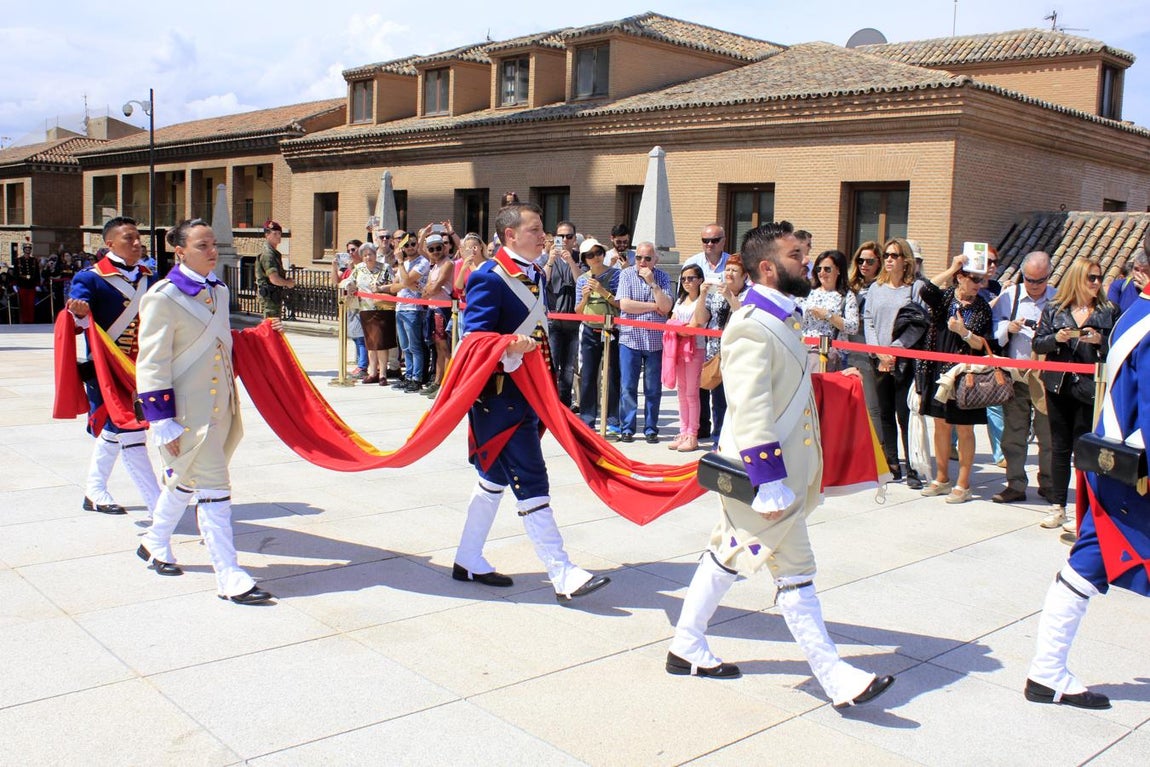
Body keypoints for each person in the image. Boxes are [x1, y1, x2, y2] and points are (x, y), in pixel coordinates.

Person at [667, 221, 895, 710]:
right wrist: (768, 480)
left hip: (775, 473)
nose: (807, 264)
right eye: (797, 255)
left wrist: (833, 383)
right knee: (796, 572)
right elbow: (749, 407)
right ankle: (834, 677)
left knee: (727, 554)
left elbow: (785, 389)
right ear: (767, 268)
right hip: (762, 476)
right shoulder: (751, 324)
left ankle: (685, 643)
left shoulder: (781, 316)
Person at [451, 202, 611, 602]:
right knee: (531, 479)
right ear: (510, 235)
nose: (545, 237)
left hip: (530, 394)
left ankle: (467, 557)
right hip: (500, 398)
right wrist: (507, 344)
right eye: (535, 229)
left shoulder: (534, 271)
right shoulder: (489, 277)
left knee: (493, 480)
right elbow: (473, 339)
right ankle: (562, 572)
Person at [1024, 233, 1150, 713]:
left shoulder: (1135, 312)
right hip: (1135, 469)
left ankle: (1047, 670)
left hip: (1116, 463)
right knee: (1091, 559)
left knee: (1090, 557)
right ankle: (1047, 671)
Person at [134, 219, 274, 605]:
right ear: (180, 251)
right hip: (186, 414)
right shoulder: (163, 297)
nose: (212, 251)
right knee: (214, 487)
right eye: (202, 245)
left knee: (187, 479)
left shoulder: (221, 291)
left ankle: (154, 541)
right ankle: (228, 574)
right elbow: (151, 363)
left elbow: (220, 344)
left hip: (221, 407)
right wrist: (161, 420)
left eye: (213, 244)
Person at [65, 216, 162, 517]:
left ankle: (94, 491)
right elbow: (76, 319)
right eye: (128, 238)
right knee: (131, 432)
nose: (137, 243)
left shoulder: (150, 277)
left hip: (141, 370)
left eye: (138, 237)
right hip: (106, 369)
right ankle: (161, 507)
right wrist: (79, 313)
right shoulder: (90, 278)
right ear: (109, 244)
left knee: (113, 428)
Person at [1033, 257, 1116, 533]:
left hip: (1089, 389)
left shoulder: (1107, 311)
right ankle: (1058, 506)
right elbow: (1038, 342)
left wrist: (1100, 342)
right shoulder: (1056, 309)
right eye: (1091, 277)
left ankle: (1085, 510)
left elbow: (1117, 346)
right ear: (1077, 278)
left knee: (1084, 449)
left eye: (1099, 278)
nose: (1096, 283)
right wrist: (1057, 338)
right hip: (1058, 385)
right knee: (1059, 447)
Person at [916, 254, 994, 504]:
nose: (978, 285)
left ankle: (963, 483)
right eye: (974, 279)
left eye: (981, 281)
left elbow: (982, 343)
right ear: (961, 278)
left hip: (964, 373)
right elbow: (925, 288)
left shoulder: (981, 307)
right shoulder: (947, 297)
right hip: (938, 368)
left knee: (964, 428)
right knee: (939, 423)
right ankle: (941, 478)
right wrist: (952, 267)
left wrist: (963, 332)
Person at [990, 251, 1055, 504]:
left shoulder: (1056, 298)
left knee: (1047, 434)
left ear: (1048, 276)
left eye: (1040, 280)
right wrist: (1009, 327)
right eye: (1030, 279)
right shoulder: (1010, 296)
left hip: (1043, 377)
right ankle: (1015, 483)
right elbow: (993, 327)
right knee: (1014, 433)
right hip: (1015, 375)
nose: (1035, 286)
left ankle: (1048, 483)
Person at [863, 237, 922, 488]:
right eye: (886, 255)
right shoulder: (876, 287)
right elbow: (868, 320)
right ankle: (892, 464)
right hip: (879, 359)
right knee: (885, 413)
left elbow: (919, 323)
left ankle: (913, 468)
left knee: (904, 414)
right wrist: (879, 352)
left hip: (904, 361)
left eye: (894, 255)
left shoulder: (914, 289)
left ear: (905, 260)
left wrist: (895, 350)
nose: (888, 259)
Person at [616, 242, 673, 443]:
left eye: (647, 258)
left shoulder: (663, 277)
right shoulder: (626, 275)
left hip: (655, 341)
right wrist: (652, 306)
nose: (642, 262)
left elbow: (665, 307)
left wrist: (653, 284)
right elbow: (625, 304)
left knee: (653, 388)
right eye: (639, 257)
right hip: (630, 338)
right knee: (628, 387)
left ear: (655, 260)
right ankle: (628, 428)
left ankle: (651, 428)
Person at [684, 224, 732, 439]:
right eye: (705, 240)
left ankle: (720, 433)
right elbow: (684, 295)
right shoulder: (693, 263)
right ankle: (701, 427)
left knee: (719, 385)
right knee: (699, 383)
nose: (709, 245)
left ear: (723, 240)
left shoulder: (731, 264)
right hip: (698, 330)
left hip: (722, 331)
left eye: (714, 240)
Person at [700, 253, 751, 444]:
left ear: (745, 275)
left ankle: (735, 440)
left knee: (736, 400)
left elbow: (746, 319)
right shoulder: (717, 292)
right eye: (727, 269)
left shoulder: (750, 294)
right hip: (717, 354)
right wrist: (703, 294)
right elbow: (702, 318)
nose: (729, 273)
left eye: (734, 270)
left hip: (739, 355)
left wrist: (730, 297)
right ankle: (718, 438)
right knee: (718, 400)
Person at [574, 237, 622, 435]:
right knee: (588, 376)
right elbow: (578, 311)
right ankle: (587, 420)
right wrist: (585, 296)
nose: (595, 258)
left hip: (611, 329)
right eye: (590, 255)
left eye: (598, 253)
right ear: (585, 259)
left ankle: (612, 421)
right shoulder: (582, 280)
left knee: (611, 376)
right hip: (589, 329)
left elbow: (621, 304)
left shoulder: (616, 275)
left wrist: (602, 291)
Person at [665, 263, 709, 452]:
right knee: (681, 392)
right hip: (679, 350)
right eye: (683, 279)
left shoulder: (703, 301)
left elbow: (696, 323)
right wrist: (680, 328)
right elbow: (671, 320)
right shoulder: (681, 301)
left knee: (692, 394)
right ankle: (683, 431)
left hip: (695, 350)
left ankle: (693, 434)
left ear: (700, 280)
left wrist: (679, 327)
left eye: (691, 278)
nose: (686, 282)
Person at [540, 220, 582, 409]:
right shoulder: (547, 259)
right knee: (552, 364)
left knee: (568, 368)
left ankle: (564, 405)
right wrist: (551, 261)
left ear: (574, 239)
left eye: (569, 236)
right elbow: (542, 281)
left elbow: (581, 281)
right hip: (553, 321)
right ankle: (550, 404)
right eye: (561, 236)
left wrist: (571, 261)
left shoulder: (581, 258)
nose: (565, 240)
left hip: (574, 321)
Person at [847, 242, 883, 439]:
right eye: (860, 260)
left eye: (870, 261)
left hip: (870, 348)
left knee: (872, 405)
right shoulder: (851, 286)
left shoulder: (882, 287)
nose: (864, 265)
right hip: (848, 348)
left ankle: (879, 451)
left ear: (879, 262)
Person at [800, 250, 858, 372]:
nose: (822, 273)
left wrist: (828, 315)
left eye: (827, 269)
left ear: (838, 270)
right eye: (818, 269)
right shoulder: (807, 292)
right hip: (805, 352)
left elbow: (853, 327)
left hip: (832, 355)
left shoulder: (846, 296)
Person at [390, 231, 431, 392]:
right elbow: (394, 287)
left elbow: (406, 280)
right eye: (406, 245)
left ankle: (417, 377)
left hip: (414, 308)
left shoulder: (422, 262)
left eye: (413, 244)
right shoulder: (405, 264)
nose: (410, 247)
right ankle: (408, 375)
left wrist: (400, 265)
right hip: (400, 307)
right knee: (405, 346)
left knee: (415, 346)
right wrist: (406, 283)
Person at [350, 242, 394, 385]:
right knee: (370, 343)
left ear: (376, 254)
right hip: (365, 309)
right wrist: (349, 287)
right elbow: (350, 282)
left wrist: (380, 288)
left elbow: (393, 286)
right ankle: (372, 372)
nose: (368, 257)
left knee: (381, 342)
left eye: (371, 254)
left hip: (381, 308)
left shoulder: (385, 268)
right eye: (365, 255)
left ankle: (383, 374)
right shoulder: (358, 269)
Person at [422, 232, 455, 397]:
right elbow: (426, 291)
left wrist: (431, 288)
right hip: (433, 308)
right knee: (437, 348)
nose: (435, 251)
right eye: (432, 249)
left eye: (438, 248)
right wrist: (430, 288)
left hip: (442, 309)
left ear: (444, 248)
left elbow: (434, 288)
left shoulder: (448, 264)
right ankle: (437, 381)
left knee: (444, 347)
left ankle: (445, 384)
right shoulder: (434, 266)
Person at [255, 220, 295, 319]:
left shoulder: (273, 253)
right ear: (267, 235)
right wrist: (287, 283)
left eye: (279, 233)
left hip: (274, 296)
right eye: (275, 233)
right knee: (271, 328)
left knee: (273, 328)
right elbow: (274, 279)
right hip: (270, 298)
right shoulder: (268, 254)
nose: (278, 236)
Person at [1106, 247, 1148, 313]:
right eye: (1136, 269)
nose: (1138, 275)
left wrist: (1147, 291)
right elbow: (1110, 313)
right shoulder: (1119, 286)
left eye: (1144, 271)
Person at [14, 242, 39, 323]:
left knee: (31, 304)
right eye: (26, 249)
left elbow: (37, 273)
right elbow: (16, 273)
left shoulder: (34, 260)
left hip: (31, 285)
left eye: (29, 249)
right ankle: (24, 320)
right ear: (24, 250)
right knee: (23, 304)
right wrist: (16, 284)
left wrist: (37, 284)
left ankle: (30, 320)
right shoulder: (18, 260)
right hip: (22, 285)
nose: (28, 250)